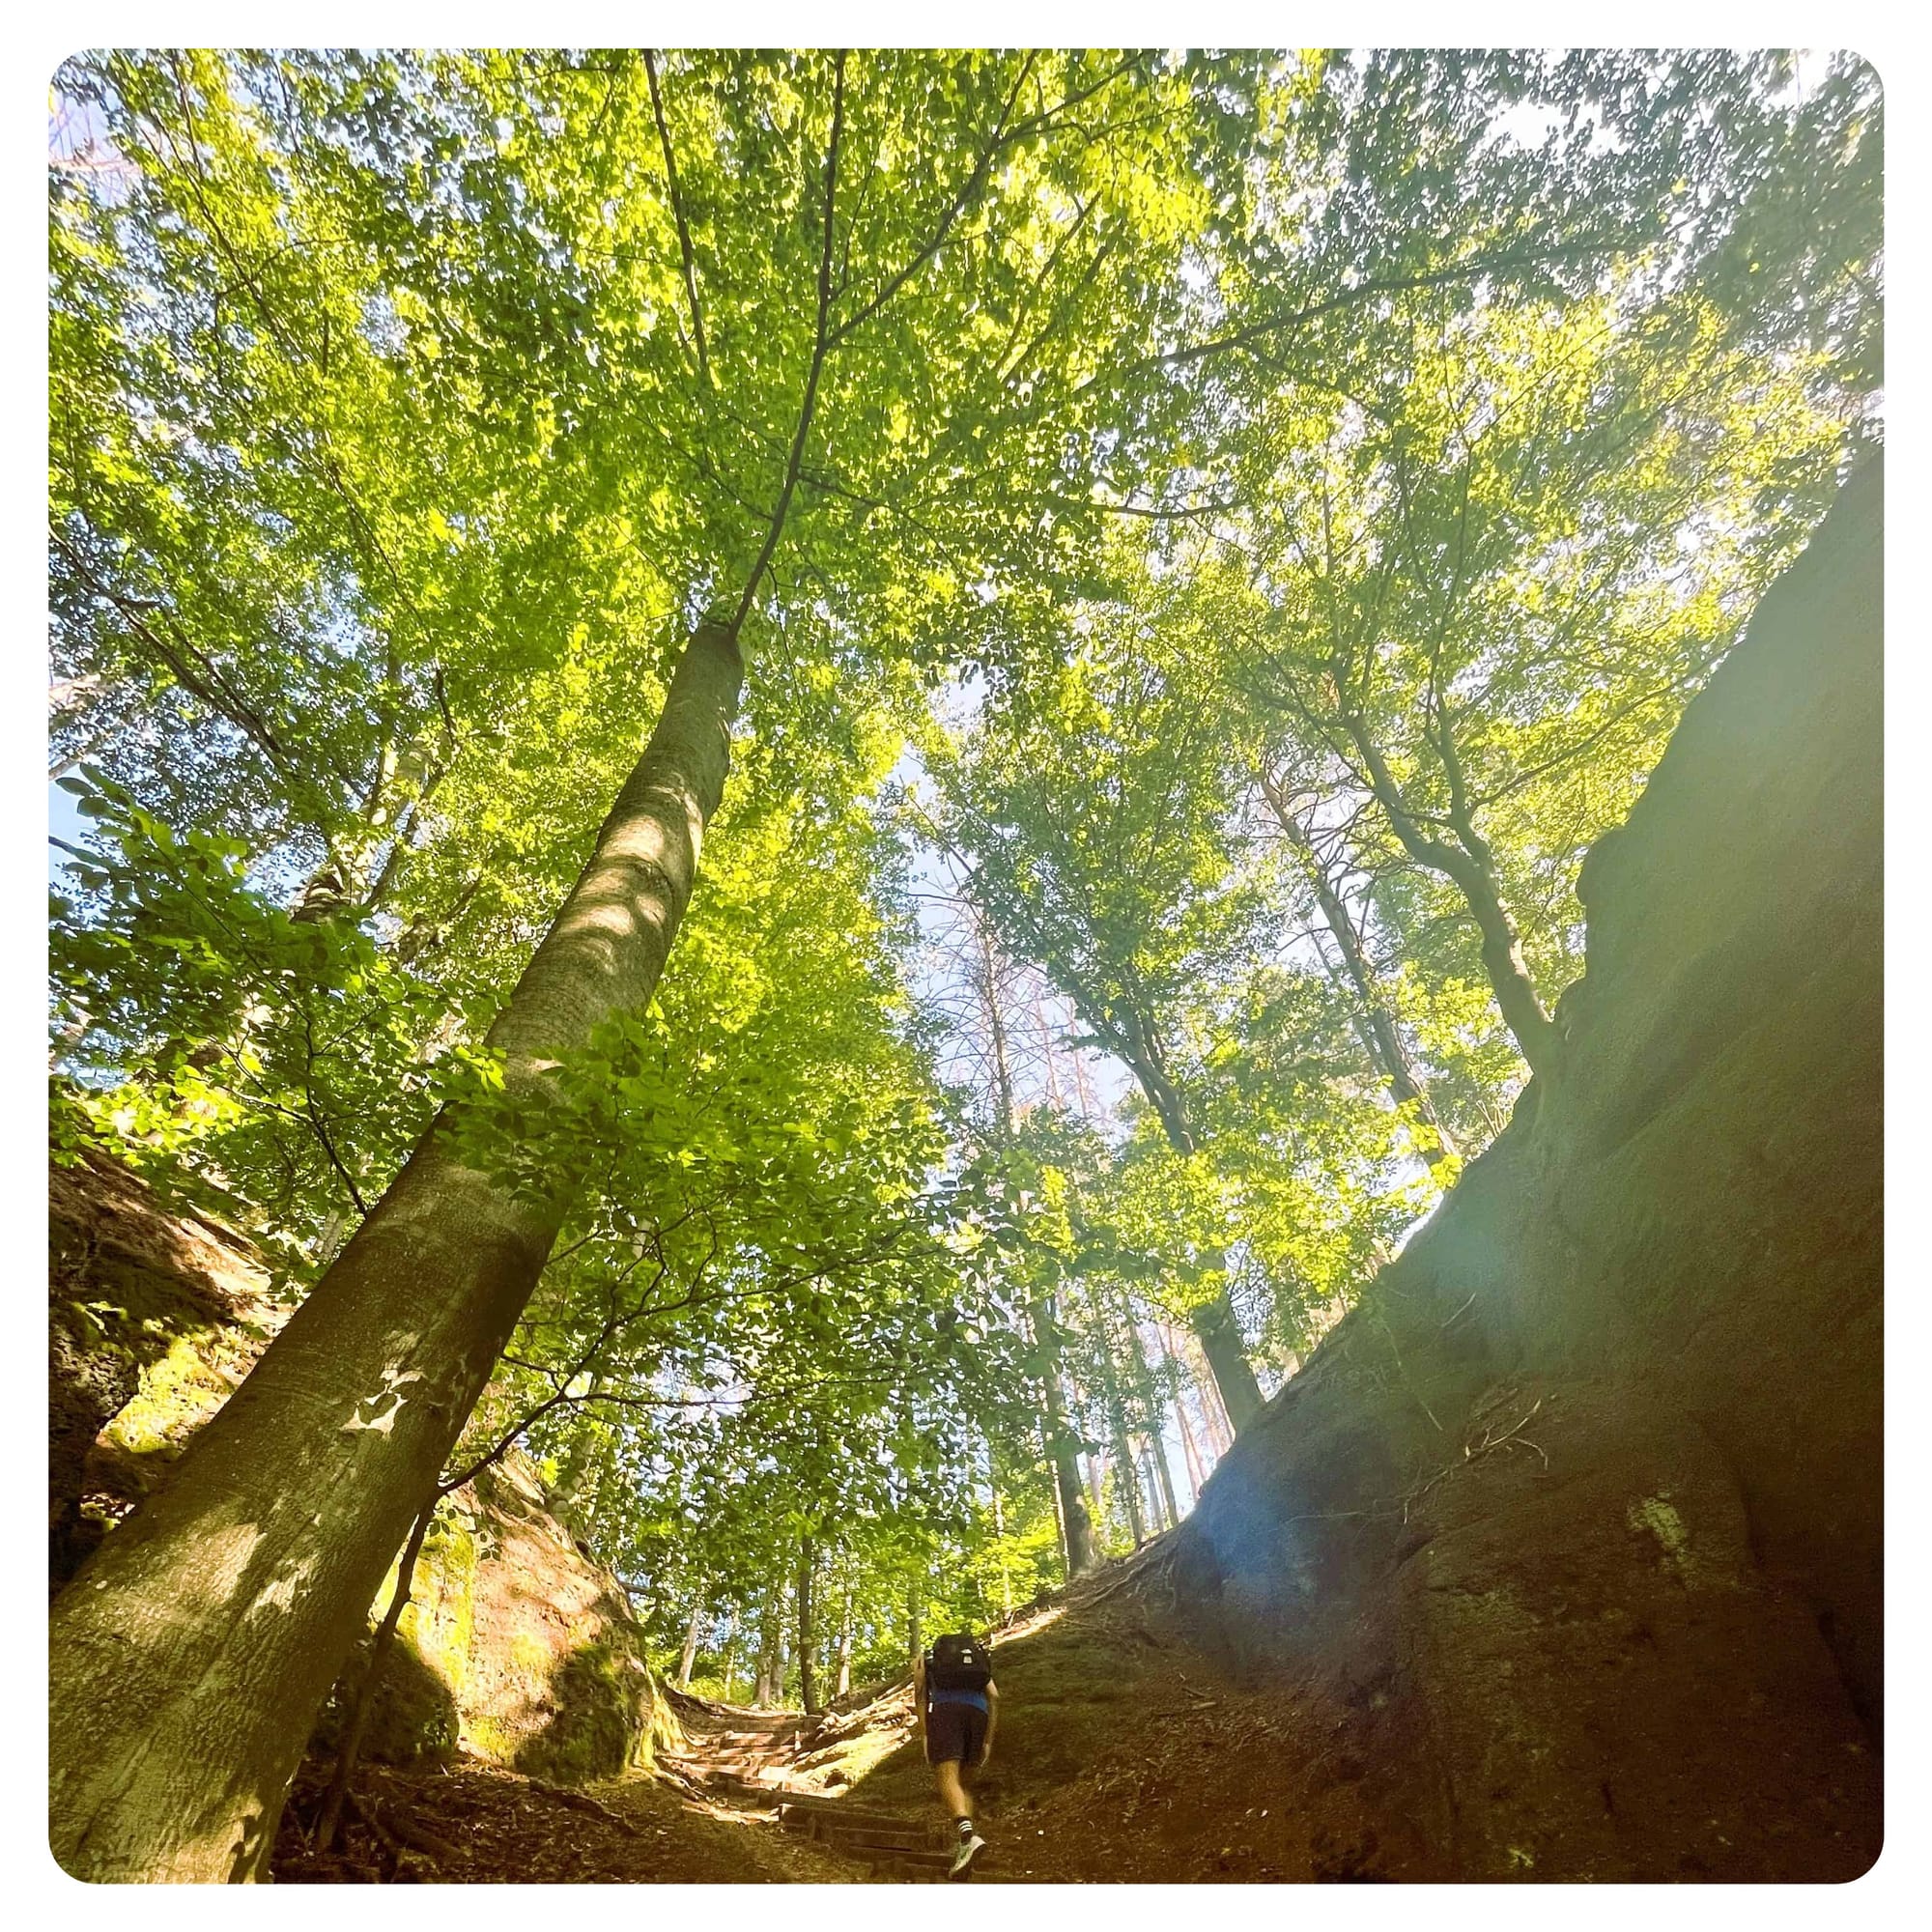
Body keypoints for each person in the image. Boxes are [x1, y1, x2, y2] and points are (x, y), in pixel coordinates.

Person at [913, 1631, 998, 1878]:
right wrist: (988, 1741)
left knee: (947, 1777)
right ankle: (965, 1845)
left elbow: (920, 1694)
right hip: (979, 1713)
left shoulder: (926, 1658)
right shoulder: (978, 1660)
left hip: (945, 1712)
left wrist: (925, 1735)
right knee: (963, 1784)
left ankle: (966, 1834)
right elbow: (994, 1696)